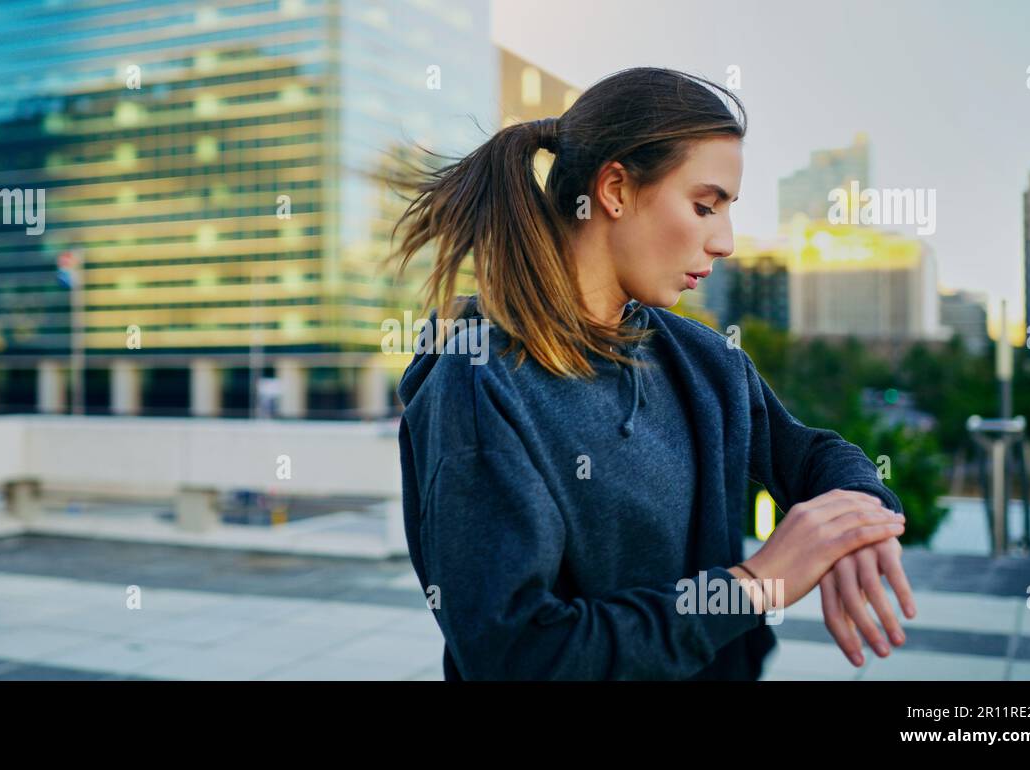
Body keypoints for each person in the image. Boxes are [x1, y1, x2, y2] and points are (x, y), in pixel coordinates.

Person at [384, 67, 916, 681]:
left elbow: (812, 455)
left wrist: (859, 515)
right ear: (614, 189)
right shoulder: (481, 381)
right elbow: (520, 655)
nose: (726, 242)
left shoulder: (701, 358)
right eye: (704, 205)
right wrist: (752, 587)